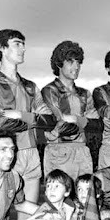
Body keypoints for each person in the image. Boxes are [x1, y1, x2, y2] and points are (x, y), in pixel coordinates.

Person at [0, 29, 55, 209]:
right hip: (6, 152)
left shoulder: (30, 86)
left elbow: (50, 120)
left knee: (30, 212)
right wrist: (35, 120)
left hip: (31, 153)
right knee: (1, 211)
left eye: (23, 45)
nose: (22, 49)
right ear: (2, 48)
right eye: (17, 44)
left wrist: (22, 115)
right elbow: (1, 123)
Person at [41, 40, 100, 179]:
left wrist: (74, 119)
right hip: (59, 152)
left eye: (78, 62)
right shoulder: (49, 91)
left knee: (85, 197)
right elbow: (57, 125)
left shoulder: (85, 94)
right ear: (58, 64)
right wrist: (84, 121)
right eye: (70, 62)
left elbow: (98, 125)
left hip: (83, 151)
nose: (76, 66)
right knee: (60, 197)